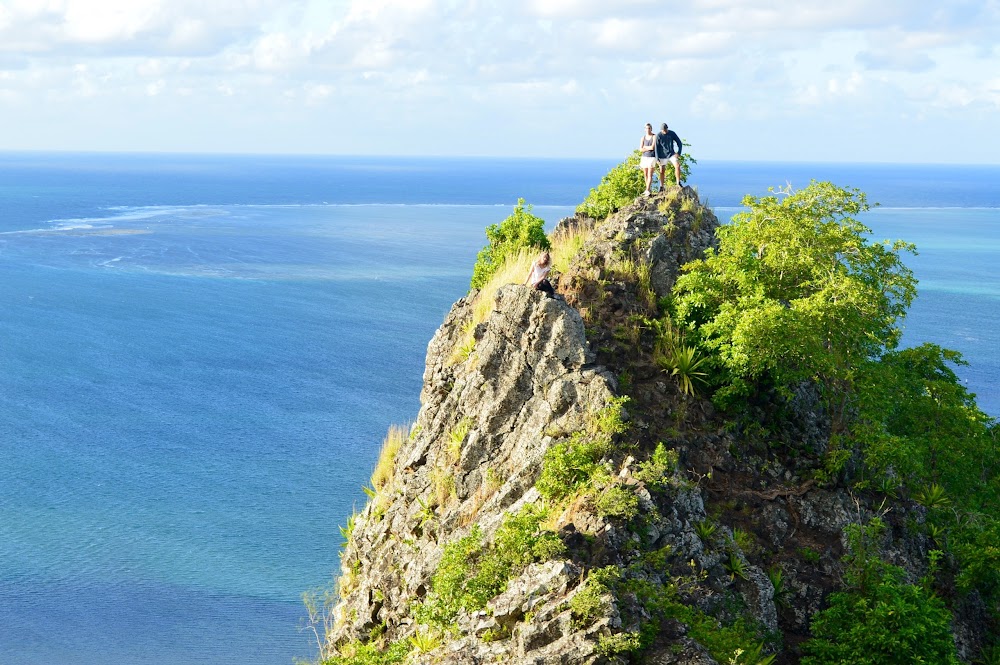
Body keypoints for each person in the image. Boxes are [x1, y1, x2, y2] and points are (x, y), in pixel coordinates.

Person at [654, 123, 683, 191]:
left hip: (671, 154)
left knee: (677, 166)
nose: (664, 131)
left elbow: (679, 143)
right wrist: (657, 158)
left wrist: (679, 152)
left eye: (665, 129)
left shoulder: (672, 133)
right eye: (663, 130)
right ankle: (661, 186)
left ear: (667, 128)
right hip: (662, 155)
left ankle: (678, 182)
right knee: (662, 170)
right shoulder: (659, 135)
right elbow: (656, 147)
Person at [638, 123, 657, 196]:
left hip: (651, 157)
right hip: (644, 157)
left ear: (651, 129)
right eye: (646, 128)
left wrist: (645, 147)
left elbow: (652, 147)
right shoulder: (643, 138)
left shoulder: (654, 136)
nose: (647, 130)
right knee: (645, 174)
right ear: (644, 129)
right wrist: (646, 148)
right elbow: (640, 149)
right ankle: (647, 189)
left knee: (650, 174)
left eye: (649, 128)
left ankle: (647, 189)